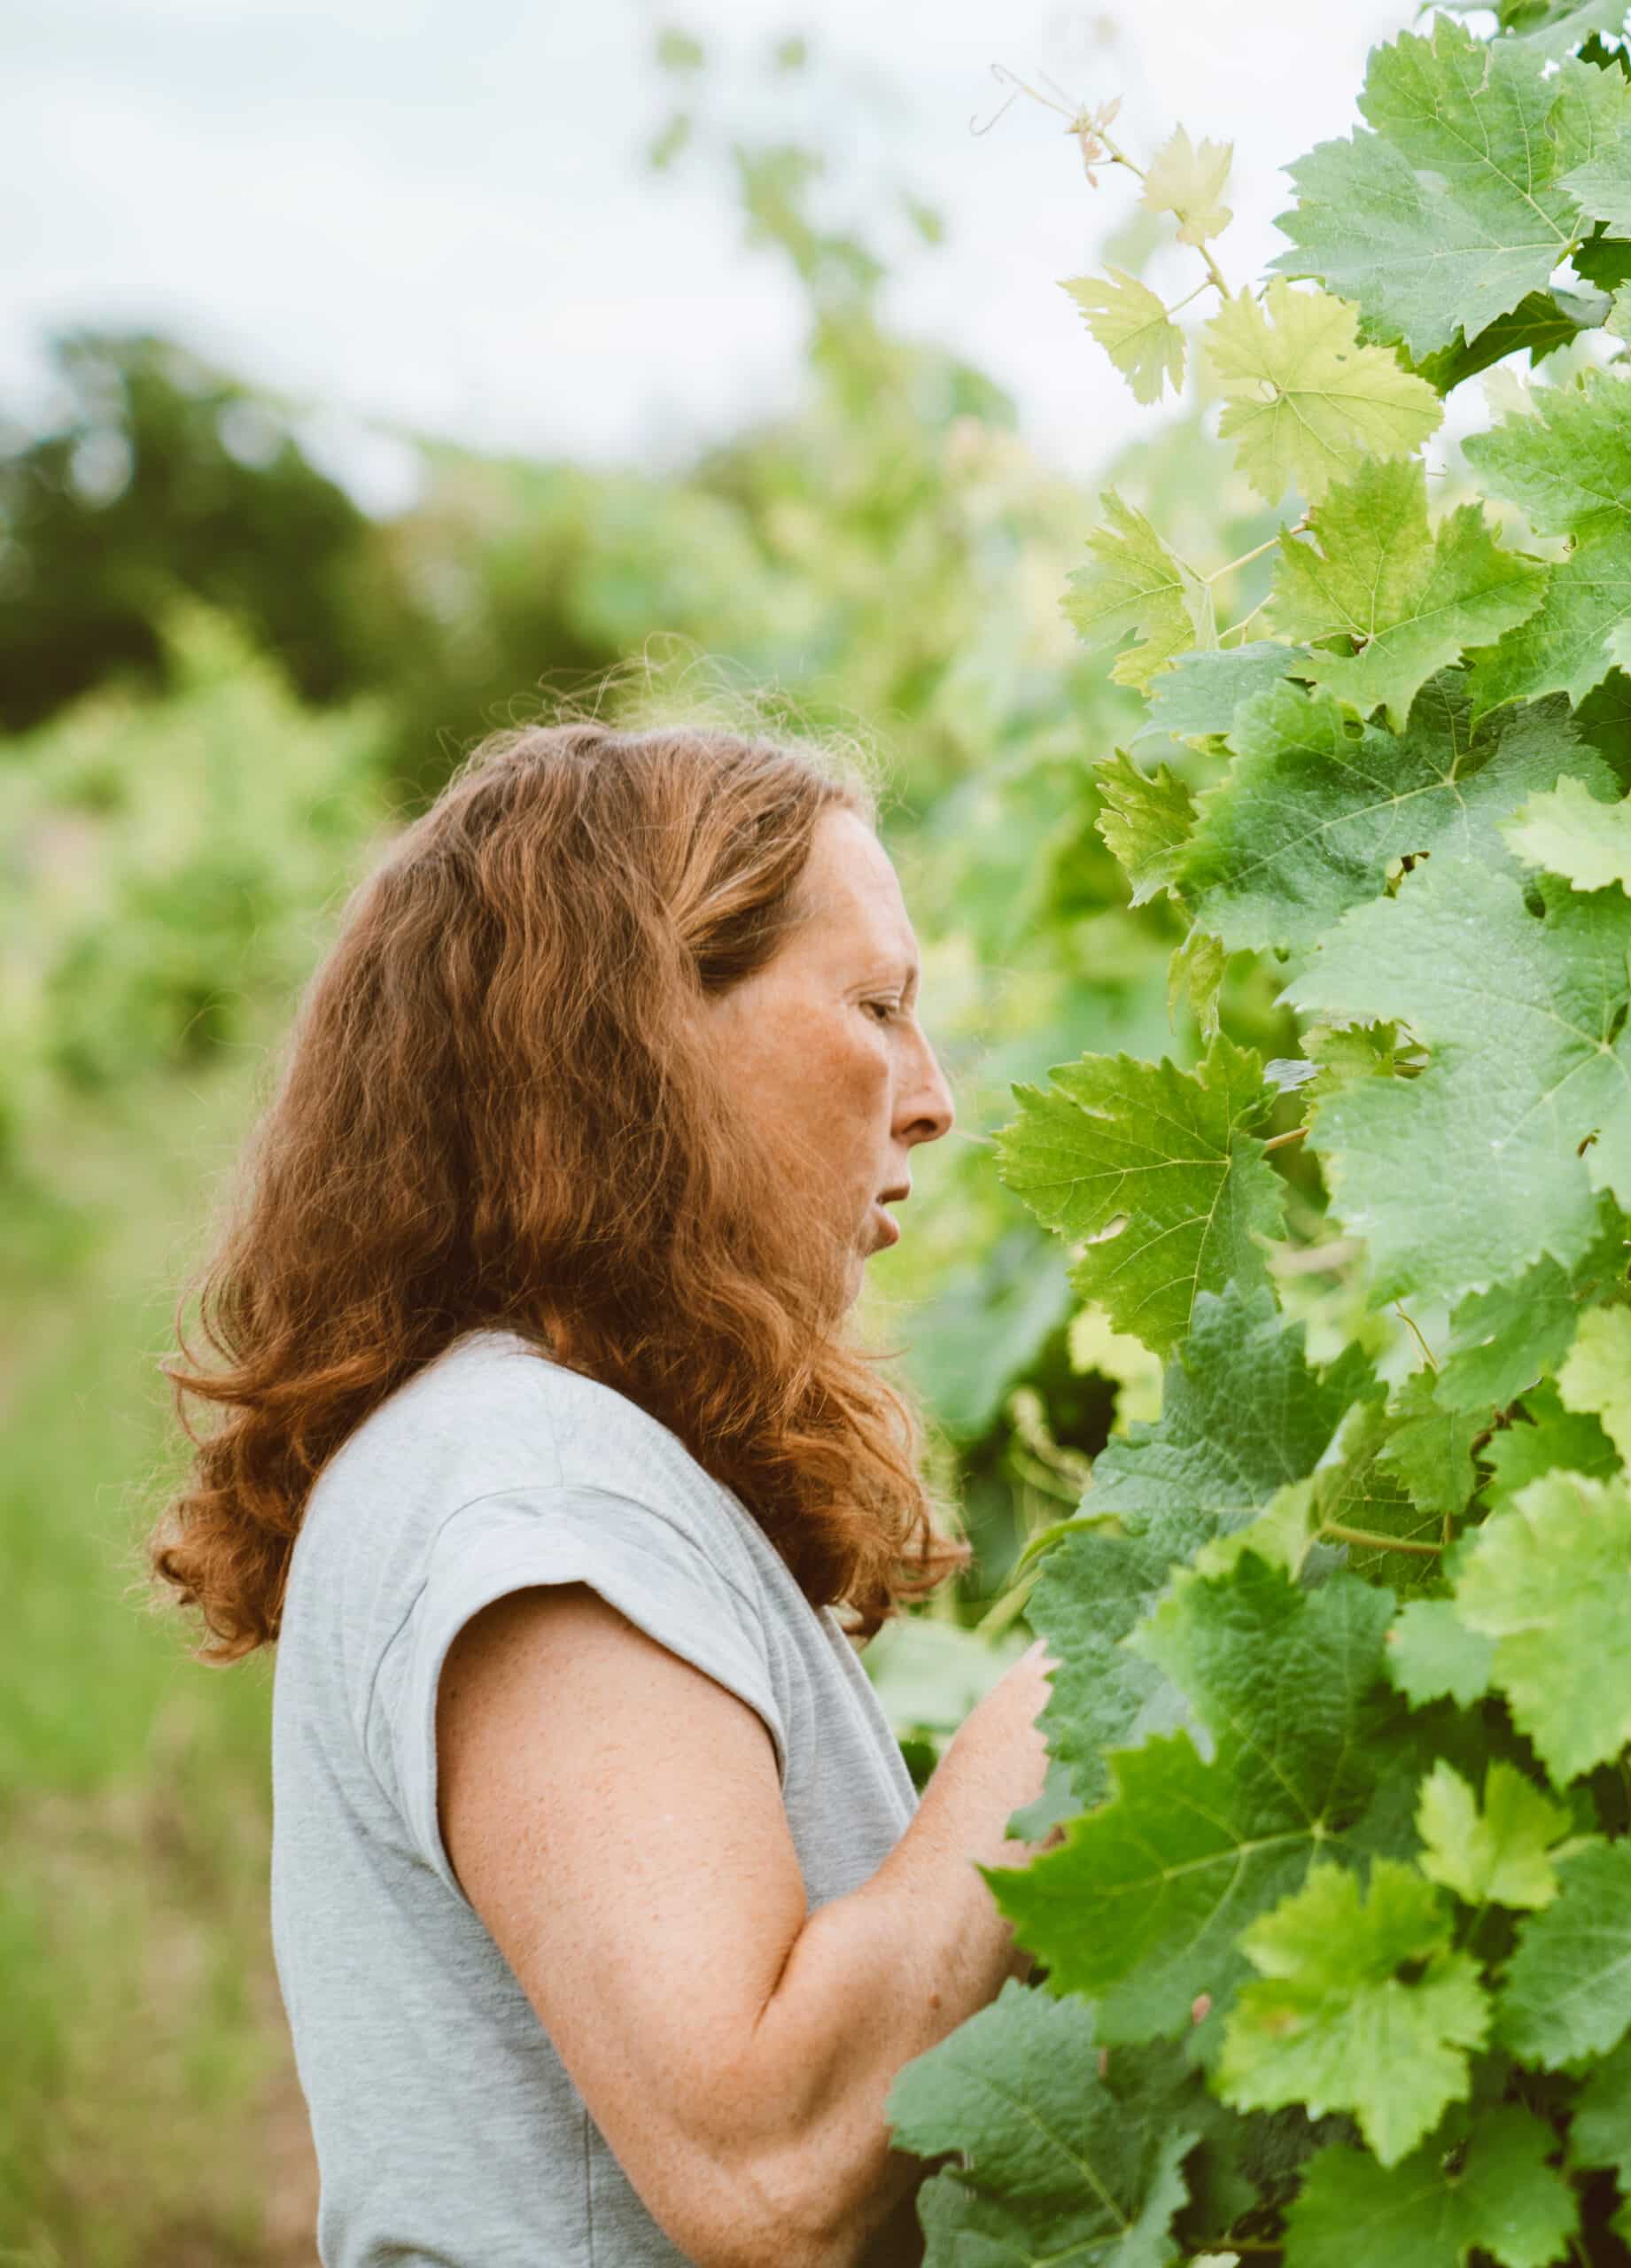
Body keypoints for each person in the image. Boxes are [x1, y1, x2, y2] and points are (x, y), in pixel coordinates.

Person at [145, 718, 1060, 2268]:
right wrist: (1073, 1708)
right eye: (877, 1007)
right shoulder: (529, 1484)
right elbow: (765, 2166)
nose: (930, 1098)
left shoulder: (531, 1450)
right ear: (638, 1038)